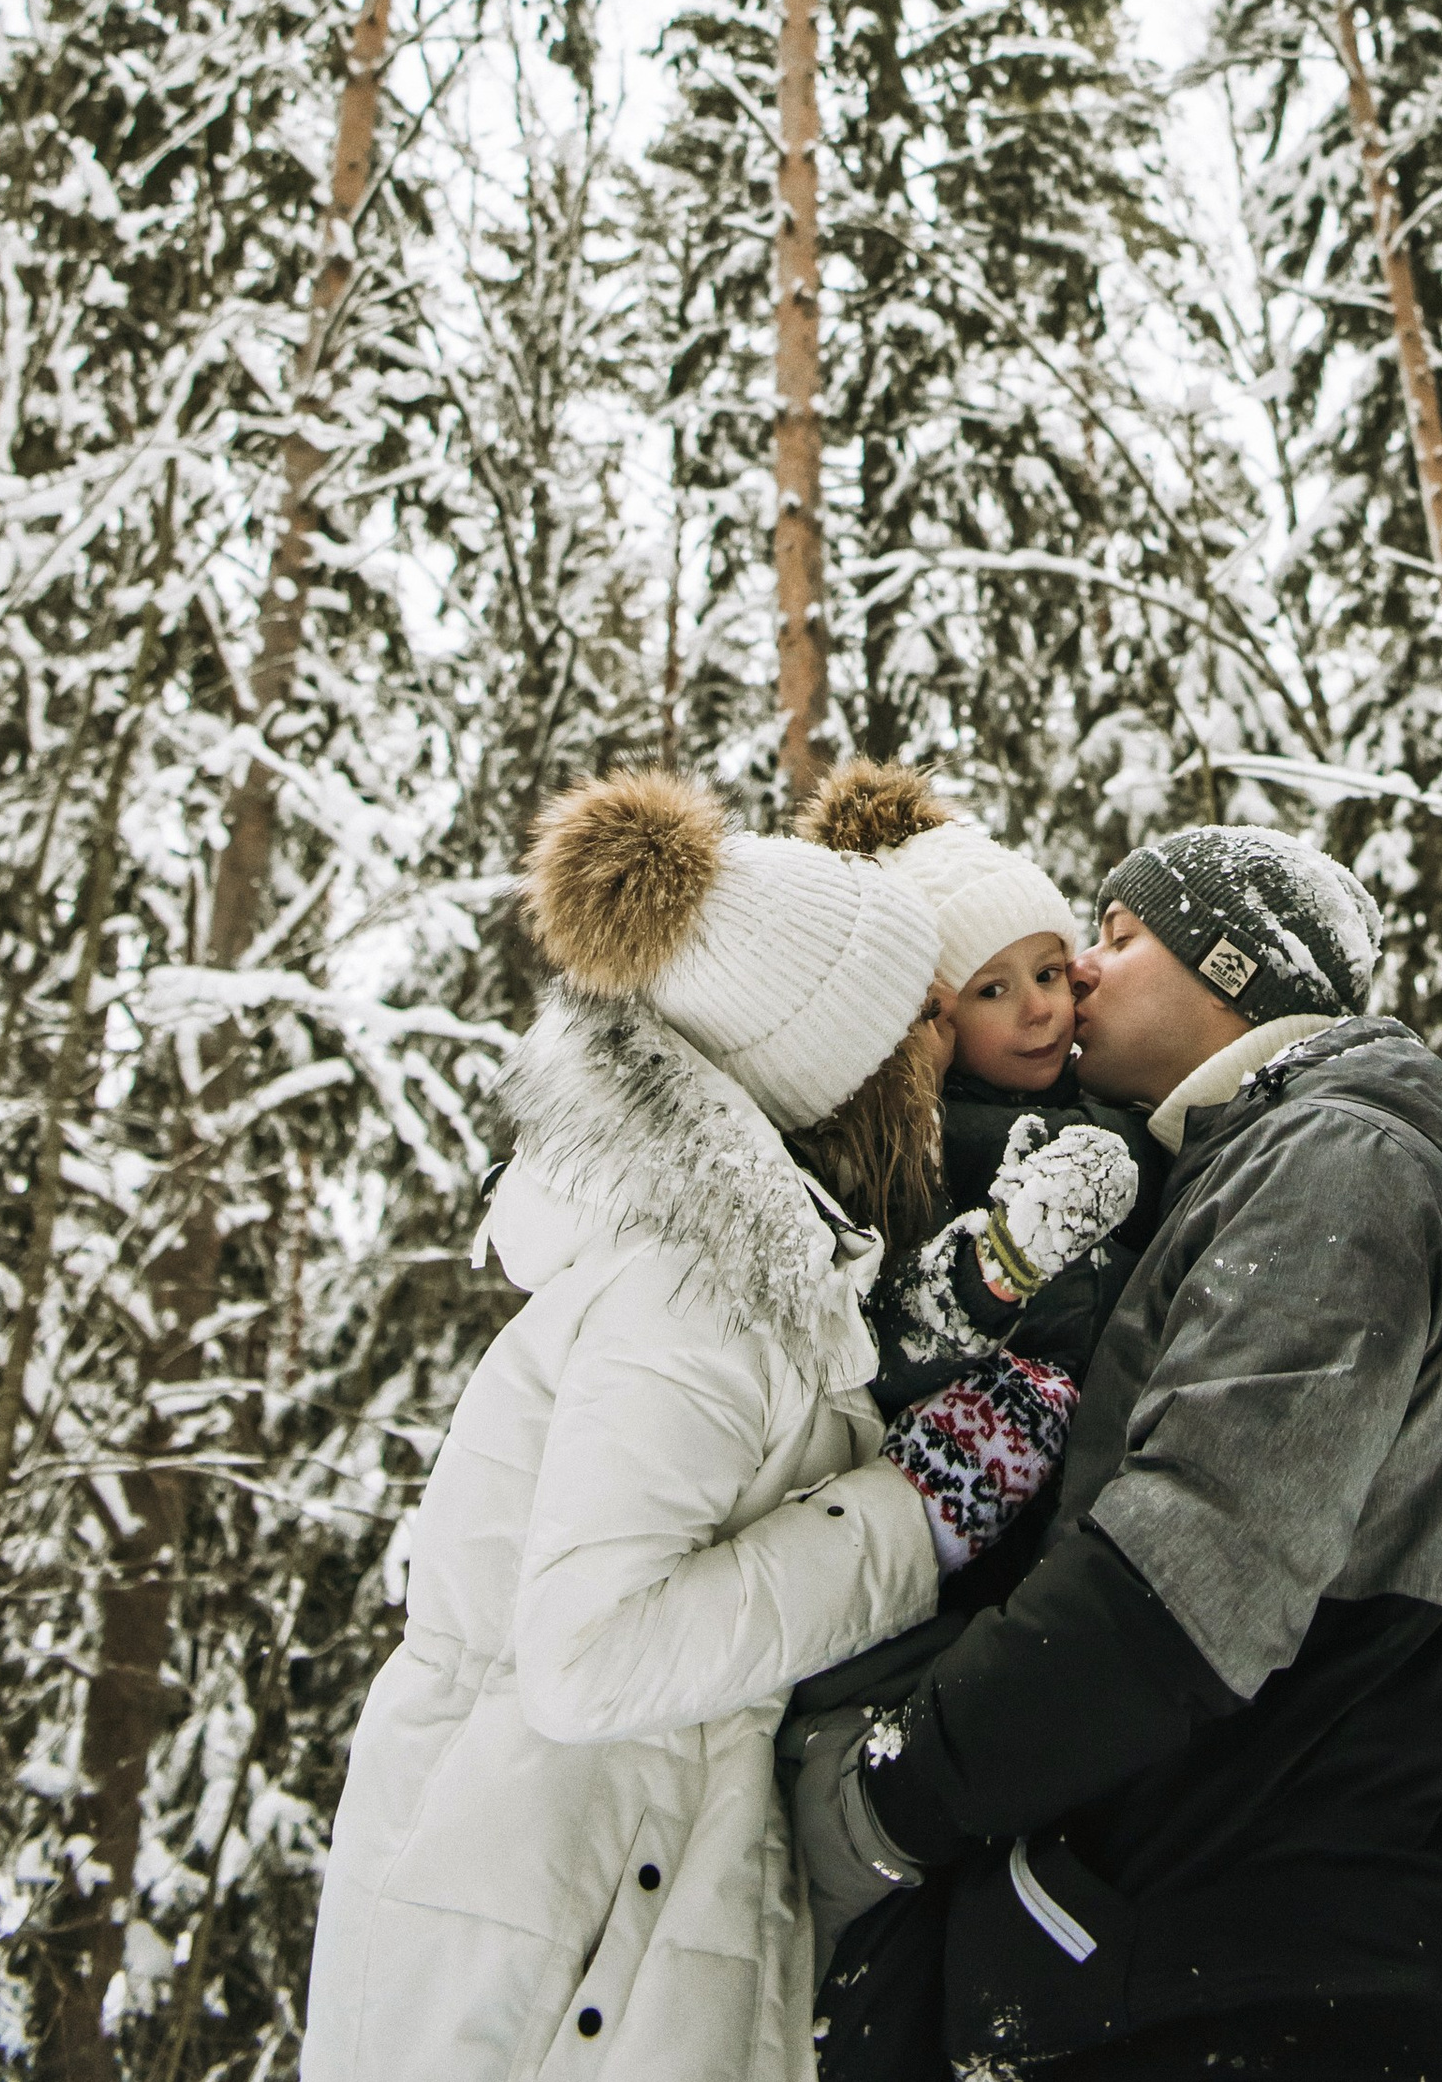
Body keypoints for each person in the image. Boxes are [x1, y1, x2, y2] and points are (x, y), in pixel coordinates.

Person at [301, 764, 1071, 2082]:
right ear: (840, 1069)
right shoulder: (695, 1287)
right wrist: (915, 1511)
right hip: (546, 1951)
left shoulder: (737, 1264)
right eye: (921, 1021)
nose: (950, 1044)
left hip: (594, 1909)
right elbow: (593, 1653)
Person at [787, 826, 1442, 2082]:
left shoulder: (1336, 1162)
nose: (1078, 970)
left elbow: (1188, 1571)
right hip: (1224, 1952)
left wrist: (884, 1805)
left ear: (1234, 975)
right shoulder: (1246, 1171)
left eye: (1121, 937)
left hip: (1262, 1971)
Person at [800, 761, 1147, 1419]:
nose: (1039, 1009)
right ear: (933, 1011)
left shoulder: (1109, 1094)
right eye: (992, 989)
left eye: (1047, 973)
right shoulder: (925, 1146)